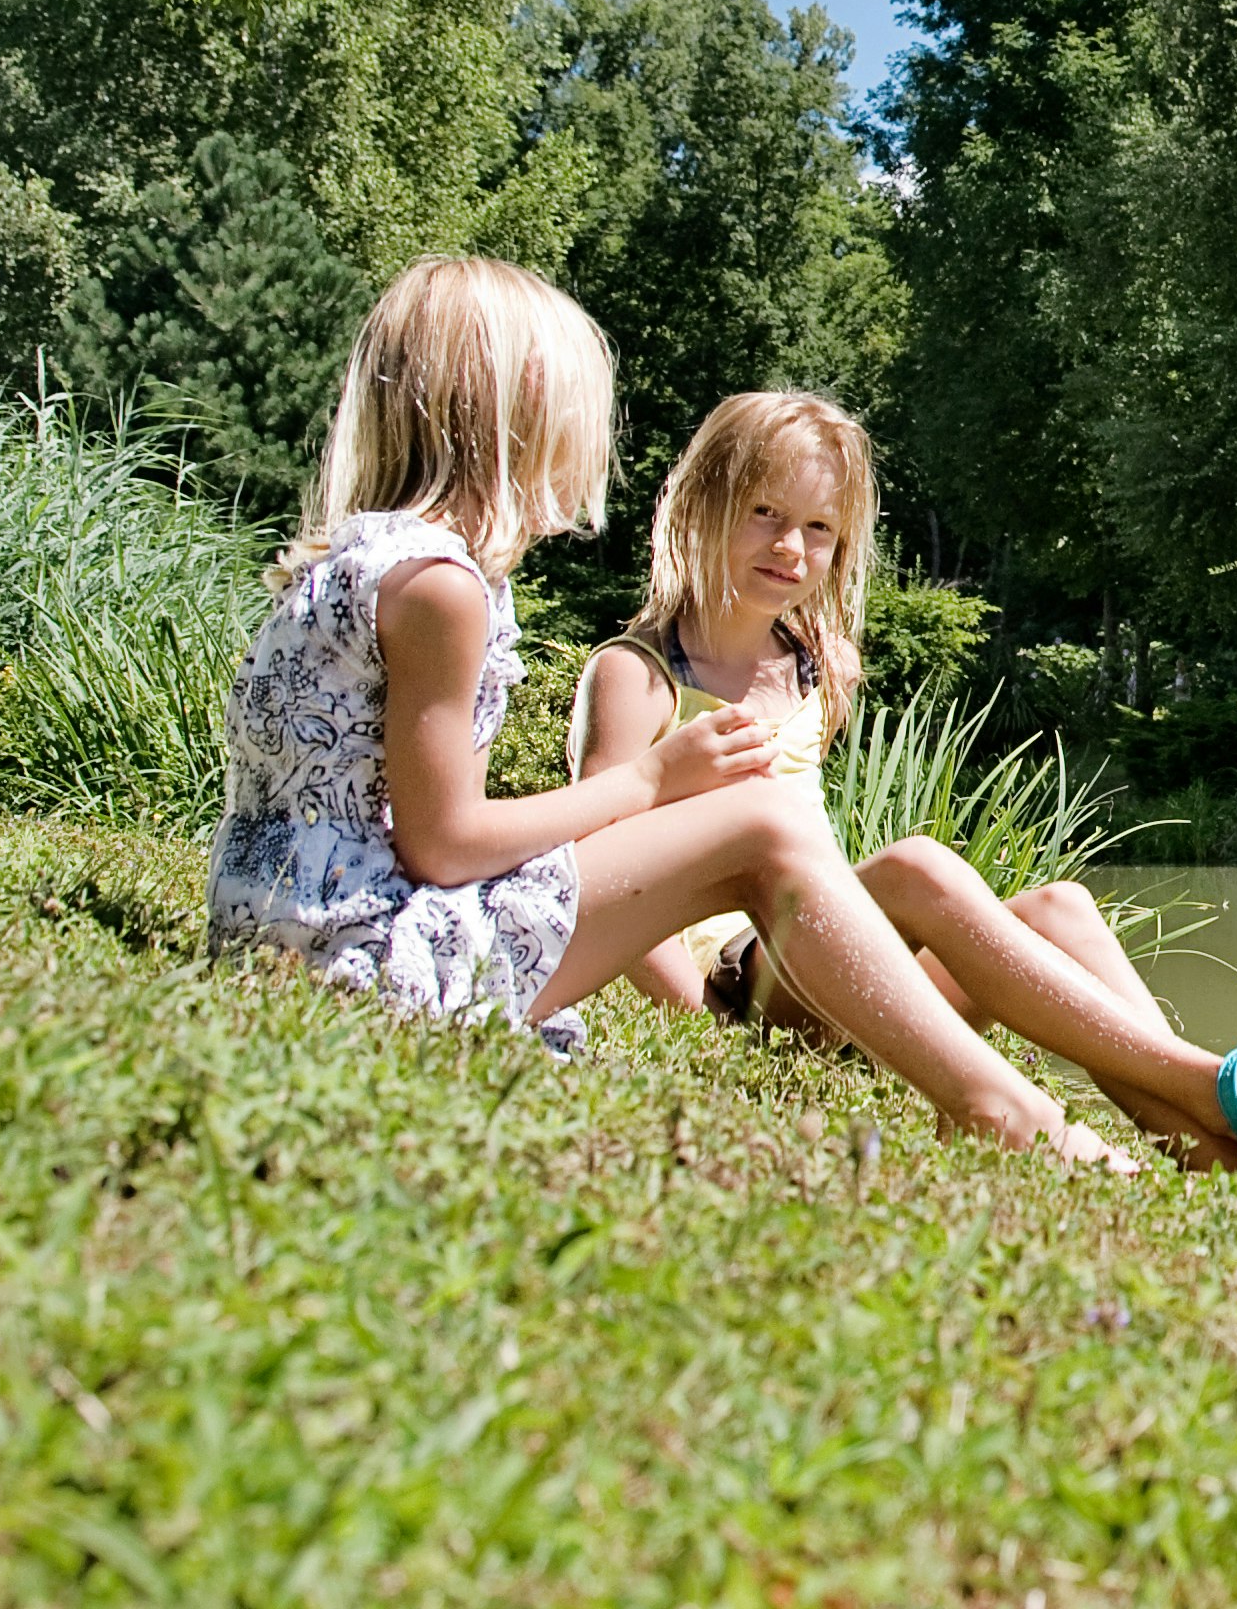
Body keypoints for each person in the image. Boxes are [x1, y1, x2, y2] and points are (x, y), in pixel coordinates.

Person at [209, 258, 1147, 1164]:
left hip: (309, 931)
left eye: (819, 529)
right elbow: (451, 845)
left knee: (1058, 904)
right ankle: (1019, 1110)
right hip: (395, 955)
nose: (587, 446)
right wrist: (656, 786)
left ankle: (1197, 1116)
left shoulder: (374, 565)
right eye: (574, 415)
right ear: (511, 421)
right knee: (893, 860)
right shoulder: (459, 597)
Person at [570, 390, 1237, 1204]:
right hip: (741, 989)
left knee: (1062, 908)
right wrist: (706, 1036)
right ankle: (1217, 1087)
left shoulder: (818, 667)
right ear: (701, 503)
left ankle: (1226, 1169)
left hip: (843, 971)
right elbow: (599, 880)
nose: (792, 545)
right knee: (915, 867)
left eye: (819, 528)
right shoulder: (638, 677)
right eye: (765, 513)